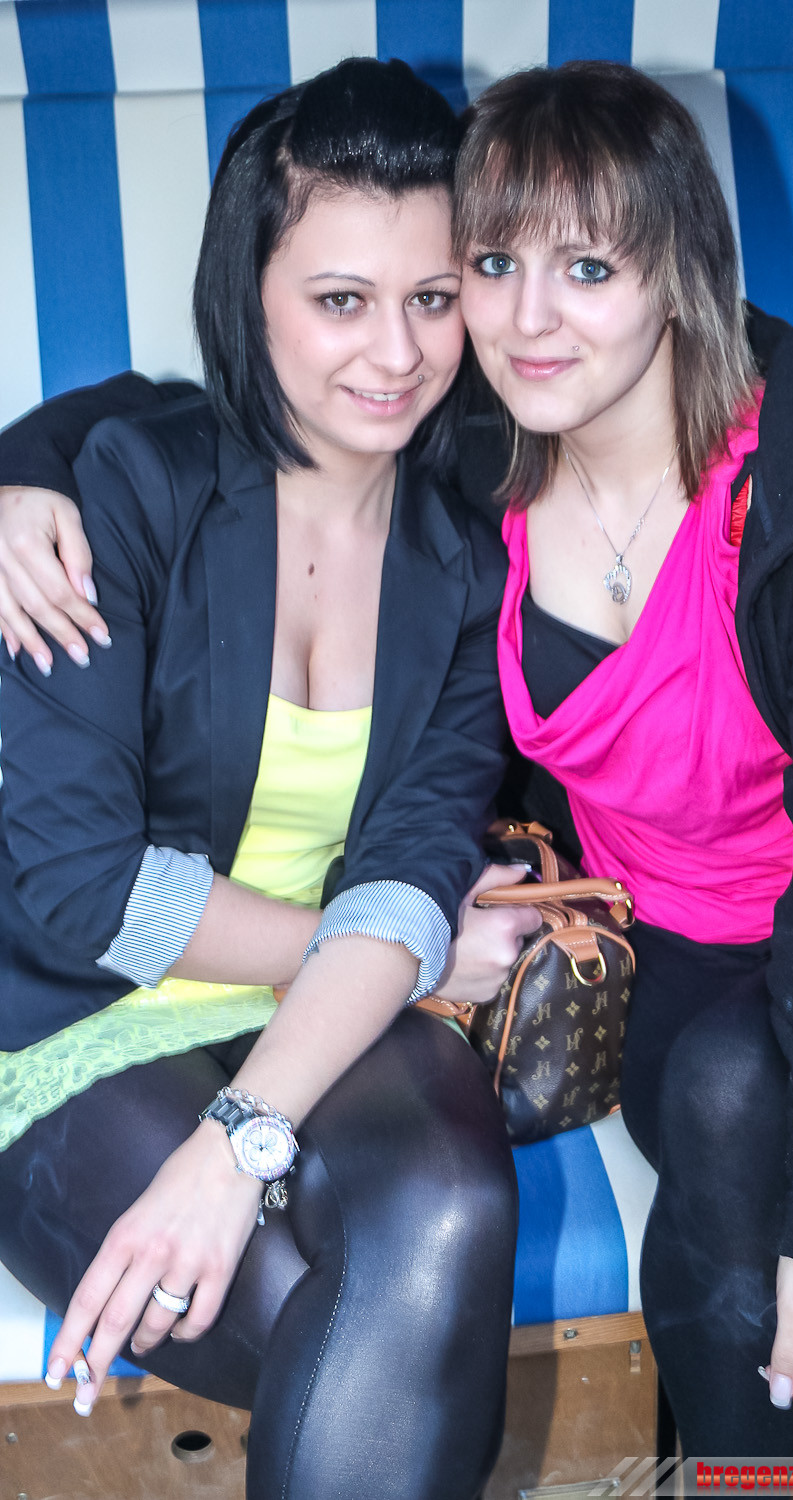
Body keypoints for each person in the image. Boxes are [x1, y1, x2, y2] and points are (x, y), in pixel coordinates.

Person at [5, 57, 793, 1465]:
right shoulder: (407, 458)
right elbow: (169, 429)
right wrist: (19, 470)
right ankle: (764, 1477)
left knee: (706, 1132)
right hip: (601, 941)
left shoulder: (726, 503)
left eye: (583, 268)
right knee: (699, 1116)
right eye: (487, 270)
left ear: (673, 274)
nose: (435, 343)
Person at [0, 57, 539, 1500]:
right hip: (72, 1012)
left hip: (330, 995)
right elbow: (82, 891)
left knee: (448, 1215)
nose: (398, 354)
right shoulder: (126, 491)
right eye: (341, 299)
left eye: (435, 298)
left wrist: (236, 1137)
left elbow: (416, 857)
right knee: (338, 1312)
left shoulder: (469, 559)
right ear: (251, 292)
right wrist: (391, 955)